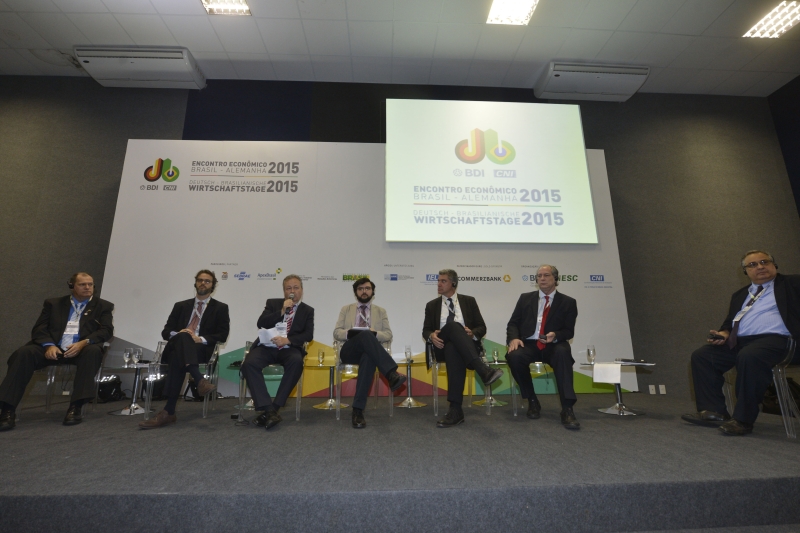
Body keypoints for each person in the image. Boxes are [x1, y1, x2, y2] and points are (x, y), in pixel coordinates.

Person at [683, 250, 800, 436]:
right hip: (741, 342)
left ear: (774, 265)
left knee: (750, 356)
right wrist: (723, 333)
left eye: (764, 262)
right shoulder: (739, 295)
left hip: (781, 340)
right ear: (745, 271)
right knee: (703, 356)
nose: (760, 266)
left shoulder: (793, 283)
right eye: (753, 265)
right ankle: (714, 412)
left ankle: (743, 419)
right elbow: (729, 323)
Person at [0, 272, 114, 430]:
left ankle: (75, 407)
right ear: (72, 286)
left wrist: (84, 342)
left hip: (82, 348)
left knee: (93, 352)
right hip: (53, 347)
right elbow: (39, 329)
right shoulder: (53, 304)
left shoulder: (103, 306)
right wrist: (48, 345)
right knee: (23, 353)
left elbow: (106, 331)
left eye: (90, 284)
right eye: (82, 284)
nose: (88, 287)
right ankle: (7, 410)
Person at [140, 270, 230, 429]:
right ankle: (199, 379)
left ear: (213, 285)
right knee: (183, 337)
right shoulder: (181, 306)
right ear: (195, 283)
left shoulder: (220, 308)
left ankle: (169, 411)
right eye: (200, 280)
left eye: (207, 281)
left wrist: (200, 339)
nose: (203, 283)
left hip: (199, 350)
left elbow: (222, 335)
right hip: (177, 345)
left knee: (178, 358)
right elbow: (166, 332)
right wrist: (181, 334)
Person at [422, 269, 503, 428]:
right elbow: (426, 330)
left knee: (453, 348)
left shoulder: (469, 301)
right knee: (453, 326)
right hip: (440, 346)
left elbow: (481, 327)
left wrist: (472, 333)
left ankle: (456, 410)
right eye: (438, 281)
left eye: (443, 281)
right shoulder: (432, 305)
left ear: (453, 283)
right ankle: (482, 370)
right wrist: (432, 335)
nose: (439, 284)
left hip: (465, 347)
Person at [506, 264, 580, 429]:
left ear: (555, 278)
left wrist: (556, 335)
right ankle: (532, 400)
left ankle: (567, 408)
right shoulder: (525, 298)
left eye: (546, 275)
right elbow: (513, 323)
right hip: (529, 343)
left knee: (563, 353)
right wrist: (514, 338)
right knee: (514, 356)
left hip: (554, 344)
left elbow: (569, 331)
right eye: (539, 276)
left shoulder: (568, 302)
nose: (542, 278)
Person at [242, 274, 314, 430]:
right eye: (288, 288)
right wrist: (282, 311)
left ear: (301, 290)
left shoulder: (307, 310)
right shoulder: (273, 303)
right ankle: (269, 409)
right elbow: (261, 323)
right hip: (267, 347)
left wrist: (288, 340)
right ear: (284, 291)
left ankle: (273, 408)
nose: (292, 291)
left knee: (296, 362)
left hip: (289, 349)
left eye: (296, 287)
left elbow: (308, 335)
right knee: (249, 363)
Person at [333, 278, 407, 428]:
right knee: (365, 335)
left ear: (372, 292)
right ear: (356, 292)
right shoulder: (346, 309)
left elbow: (388, 335)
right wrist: (351, 332)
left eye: (367, 288)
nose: (364, 291)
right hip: (349, 350)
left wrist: (375, 334)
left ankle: (357, 410)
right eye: (360, 289)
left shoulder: (380, 311)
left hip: (369, 351)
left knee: (368, 356)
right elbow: (336, 332)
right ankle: (391, 374)